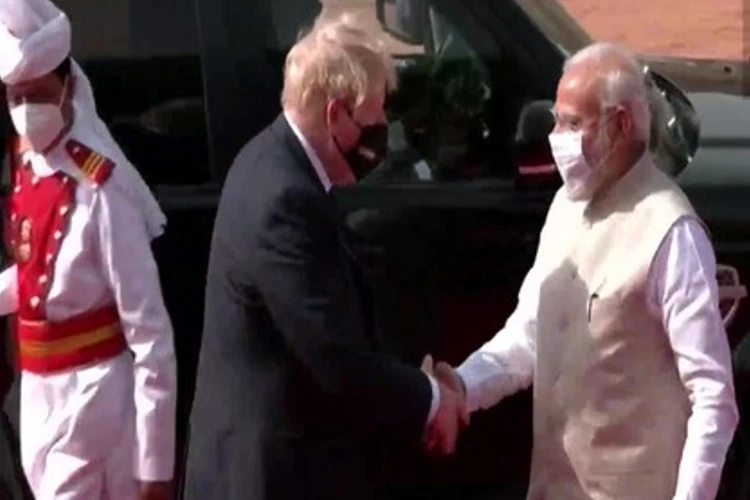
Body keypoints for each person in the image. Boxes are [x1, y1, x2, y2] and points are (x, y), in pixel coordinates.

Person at [433, 42, 739, 499]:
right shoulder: (565, 207)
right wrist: (460, 386)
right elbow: (529, 337)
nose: (557, 137)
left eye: (573, 124)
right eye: (556, 120)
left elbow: (713, 398)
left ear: (621, 125)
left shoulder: (670, 233)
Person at [183, 12, 467, 500]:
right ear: (336, 114)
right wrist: (432, 399)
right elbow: (336, 358)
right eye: (374, 121)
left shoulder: (270, 160)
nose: (382, 136)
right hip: (267, 476)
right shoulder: (284, 200)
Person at [0, 0, 177, 499]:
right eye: (15, 98)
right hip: (39, 397)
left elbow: (151, 335)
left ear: (69, 89)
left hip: (95, 403)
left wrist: (154, 465)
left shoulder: (102, 190)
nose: (26, 111)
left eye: (38, 95)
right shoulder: (29, 168)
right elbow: (38, 277)